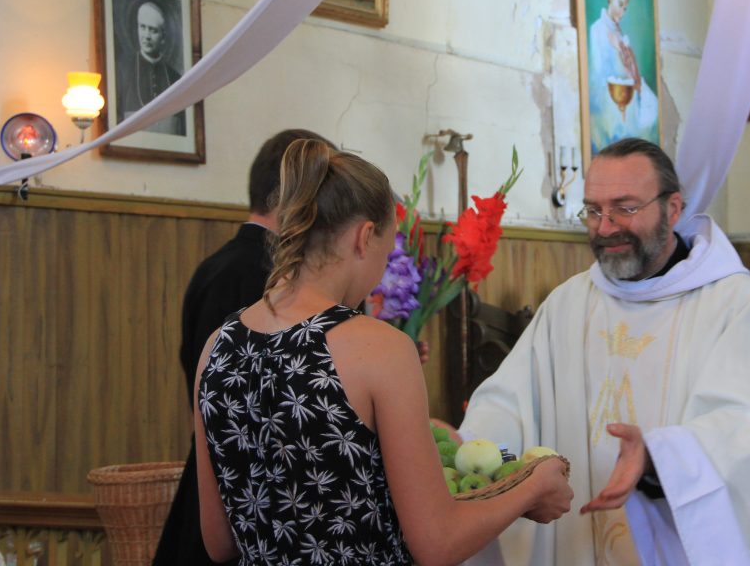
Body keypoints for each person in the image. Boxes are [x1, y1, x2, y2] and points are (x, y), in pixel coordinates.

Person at [193, 140, 574, 565]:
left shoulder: (218, 345)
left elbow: (219, 542)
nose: (380, 275)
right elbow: (438, 543)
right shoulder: (380, 349)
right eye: (388, 252)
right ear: (364, 237)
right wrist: (533, 488)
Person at [459, 138, 750, 565]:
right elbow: (511, 401)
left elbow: (747, 429)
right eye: (593, 210)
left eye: (625, 208)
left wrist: (655, 457)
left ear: (672, 208)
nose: (605, 227)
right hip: (577, 541)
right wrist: (470, 446)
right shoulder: (570, 302)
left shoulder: (732, 304)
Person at [154, 128, 334, 566]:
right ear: (297, 196)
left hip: (220, 487)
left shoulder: (217, 266)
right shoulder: (271, 278)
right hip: (250, 503)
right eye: (329, 194)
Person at [587, 0, 659, 155]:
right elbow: (597, 74)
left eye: (625, 8)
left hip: (628, 96)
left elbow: (632, 70)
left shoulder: (620, 33)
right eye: (620, 5)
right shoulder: (597, 29)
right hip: (610, 100)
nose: (622, 12)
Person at [115, 0, 186, 135]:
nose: (146, 36)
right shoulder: (123, 70)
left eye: (153, 30)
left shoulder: (175, 78)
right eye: (143, 27)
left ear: (163, 37)